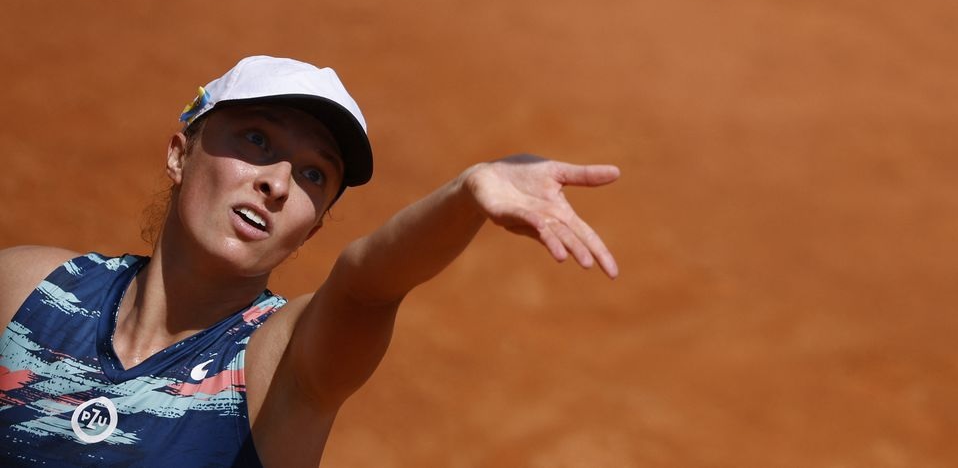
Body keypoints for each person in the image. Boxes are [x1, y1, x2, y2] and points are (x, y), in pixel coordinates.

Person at [0, 55, 620, 467]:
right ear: (179, 153)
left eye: (312, 174)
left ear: (311, 228)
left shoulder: (278, 368)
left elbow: (366, 288)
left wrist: (466, 196)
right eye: (256, 139)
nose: (276, 182)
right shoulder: (28, 290)